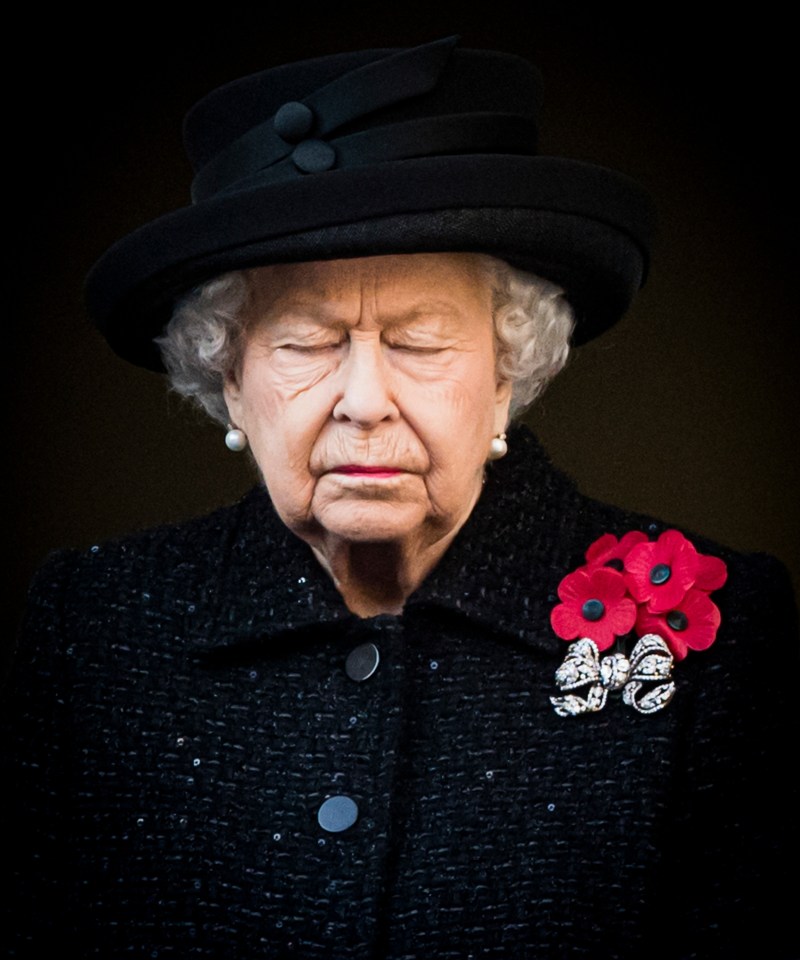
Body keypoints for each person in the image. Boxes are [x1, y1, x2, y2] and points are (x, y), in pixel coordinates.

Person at [4, 37, 797, 959]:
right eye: (305, 342)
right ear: (229, 380)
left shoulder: (718, 637)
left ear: (507, 372)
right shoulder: (93, 625)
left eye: (421, 341)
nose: (366, 399)